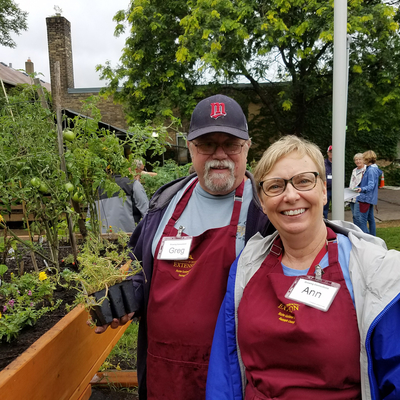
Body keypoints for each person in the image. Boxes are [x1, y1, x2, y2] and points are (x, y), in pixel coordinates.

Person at [94, 94, 275, 400]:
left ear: (247, 147)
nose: (219, 155)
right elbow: (141, 271)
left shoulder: (265, 210)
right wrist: (125, 299)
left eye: (230, 144)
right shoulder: (165, 202)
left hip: (232, 375)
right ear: (191, 148)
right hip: (164, 373)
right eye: (207, 144)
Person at [206, 135, 400, 400]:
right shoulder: (247, 266)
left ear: (323, 190)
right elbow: (225, 368)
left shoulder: (374, 271)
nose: (290, 195)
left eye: (303, 181)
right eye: (275, 186)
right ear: (263, 202)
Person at [353, 150, 382, 236]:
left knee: (362, 220)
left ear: (367, 159)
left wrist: (361, 189)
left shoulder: (371, 170)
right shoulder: (373, 168)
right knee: (370, 218)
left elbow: (371, 186)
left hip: (365, 198)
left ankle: (367, 239)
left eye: (363, 158)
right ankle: (373, 237)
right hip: (369, 198)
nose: (362, 160)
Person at [348, 153, 366, 225]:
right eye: (356, 160)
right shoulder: (354, 170)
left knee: (357, 215)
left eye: (359, 159)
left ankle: (361, 232)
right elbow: (351, 182)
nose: (358, 161)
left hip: (360, 195)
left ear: (363, 160)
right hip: (352, 195)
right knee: (354, 216)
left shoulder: (366, 169)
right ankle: (356, 231)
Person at [323, 144, 332, 218]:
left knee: (337, 207)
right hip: (326, 189)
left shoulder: (339, 163)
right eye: (331, 152)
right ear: (328, 153)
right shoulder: (324, 163)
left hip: (336, 190)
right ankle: (325, 223)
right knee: (324, 208)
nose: (332, 154)